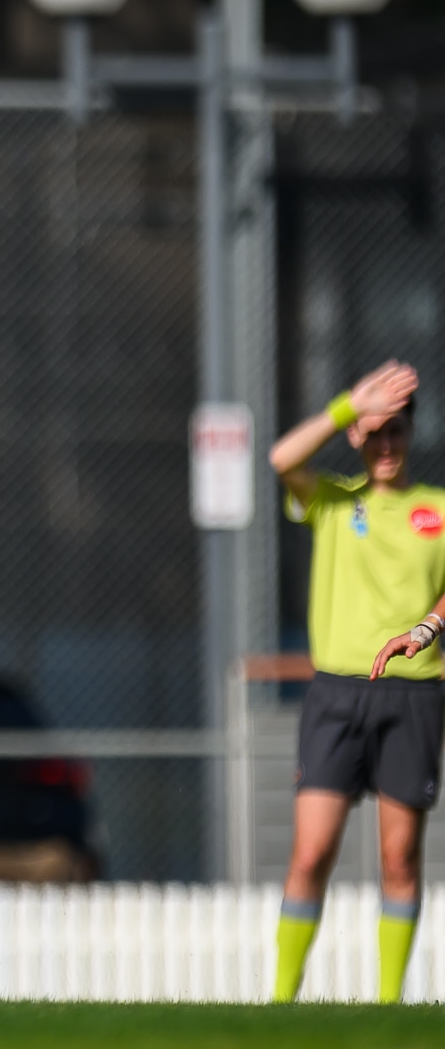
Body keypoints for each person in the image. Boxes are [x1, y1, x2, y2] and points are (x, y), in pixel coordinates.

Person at [267, 358, 439, 1004]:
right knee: (310, 853)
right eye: (373, 433)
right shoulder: (333, 501)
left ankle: (389, 1006)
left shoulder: (437, 509)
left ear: (410, 434)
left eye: (395, 430)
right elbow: (282, 457)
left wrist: (426, 627)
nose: (386, 444)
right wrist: (348, 404)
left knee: (399, 859)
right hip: (335, 695)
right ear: (355, 439)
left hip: (414, 694)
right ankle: (281, 1003)